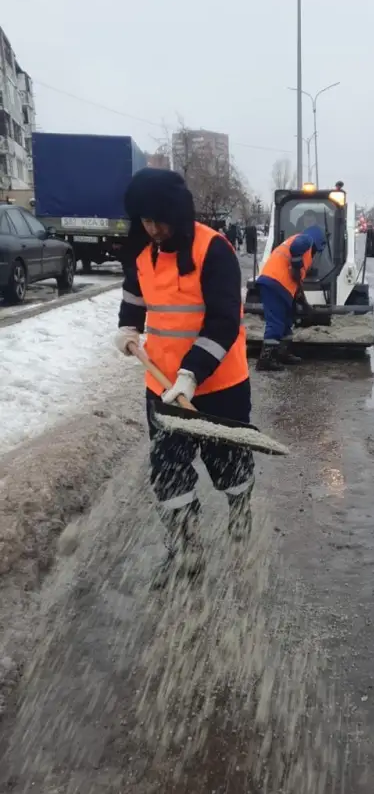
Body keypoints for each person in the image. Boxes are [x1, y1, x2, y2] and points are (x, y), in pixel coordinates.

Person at [115, 168, 254, 583]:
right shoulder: (141, 251)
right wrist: (128, 328)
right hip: (161, 384)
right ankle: (187, 550)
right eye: (145, 220)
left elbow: (225, 321)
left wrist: (191, 374)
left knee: (228, 466)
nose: (154, 229)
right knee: (168, 472)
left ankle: (240, 517)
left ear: (178, 212)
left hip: (219, 385)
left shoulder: (215, 250)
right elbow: (133, 297)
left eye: (160, 220)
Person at [254, 225, 326, 371]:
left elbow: (296, 282)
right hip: (274, 283)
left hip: (281, 286)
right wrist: (296, 265)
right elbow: (297, 249)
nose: (314, 254)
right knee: (276, 321)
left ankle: (282, 353)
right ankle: (265, 360)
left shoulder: (303, 250)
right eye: (316, 250)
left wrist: (303, 303)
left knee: (287, 320)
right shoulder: (306, 239)